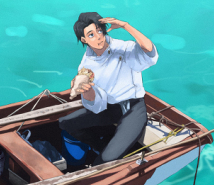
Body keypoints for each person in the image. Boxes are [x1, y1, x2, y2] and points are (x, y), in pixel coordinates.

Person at [59, 12, 158, 167]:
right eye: (91, 34)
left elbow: (149, 52)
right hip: (109, 108)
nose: (98, 37)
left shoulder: (123, 48)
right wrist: (87, 91)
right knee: (65, 123)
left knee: (105, 161)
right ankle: (97, 148)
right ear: (84, 40)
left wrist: (126, 26)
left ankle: (106, 157)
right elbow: (97, 104)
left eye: (100, 31)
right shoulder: (86, 65)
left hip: (133, 109)